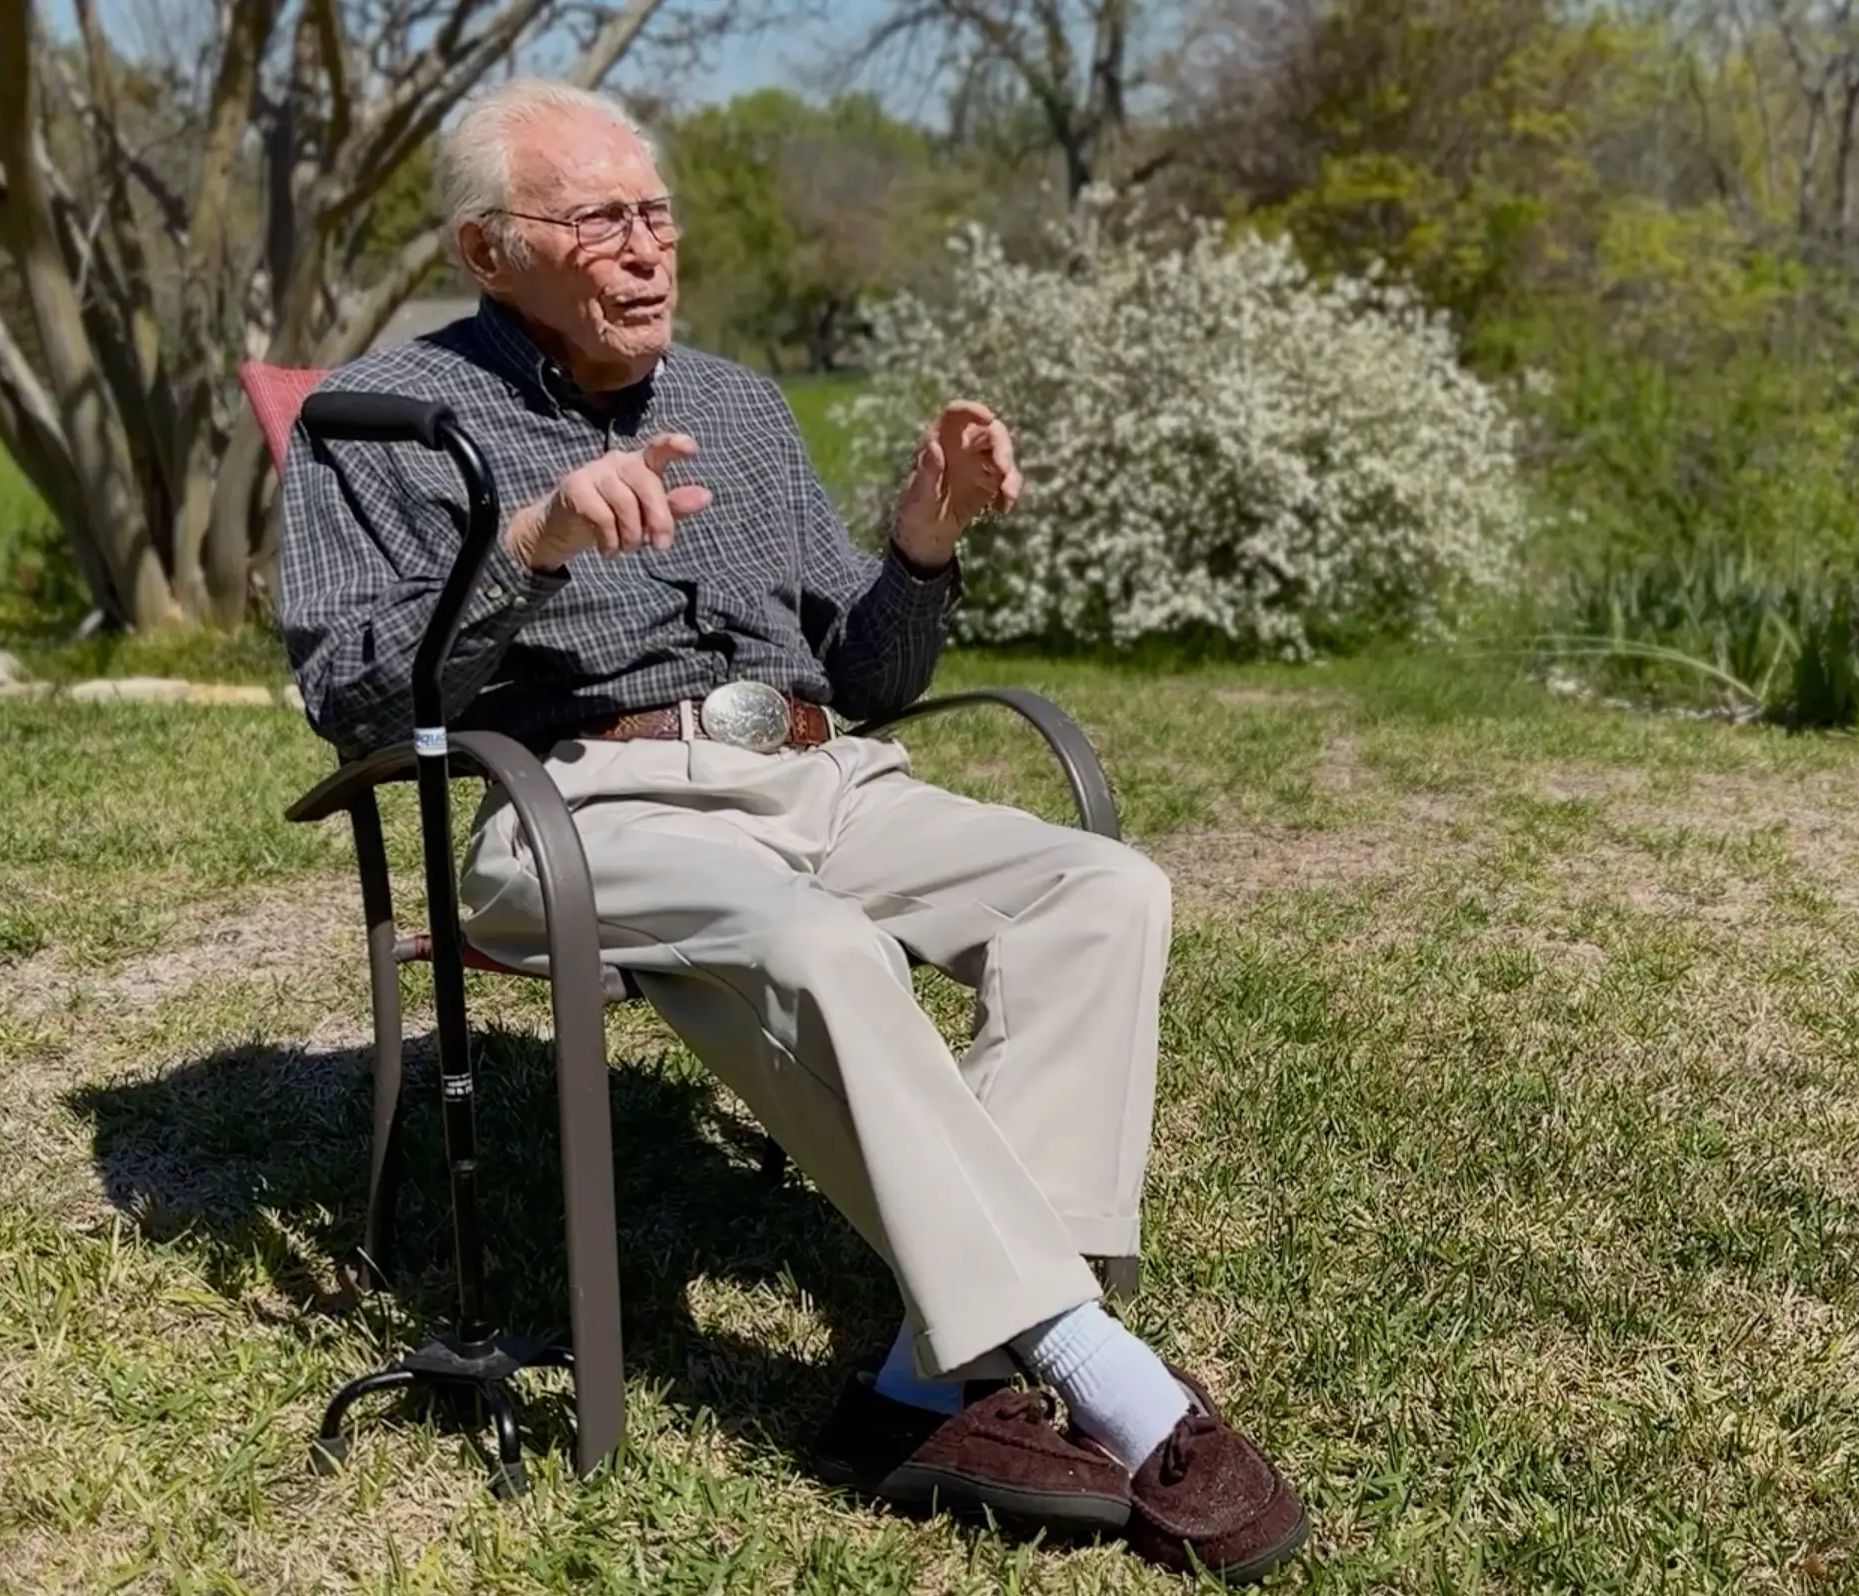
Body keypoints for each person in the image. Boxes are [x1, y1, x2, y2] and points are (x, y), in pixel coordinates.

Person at [272, 76, 1307, 1584]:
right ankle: (1098, 1372)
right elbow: (356, 704)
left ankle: (918, 1388)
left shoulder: (739, 405)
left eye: (656, 212)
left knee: (1102, 891)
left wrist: (921, 546)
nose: (645, 249)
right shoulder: (388, 427)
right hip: (575, 802)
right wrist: (531, 550)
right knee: (817, 947)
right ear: (490, 253)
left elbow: (869, 681)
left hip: (819, 780)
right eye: (600, 220)